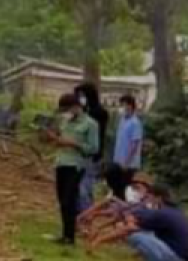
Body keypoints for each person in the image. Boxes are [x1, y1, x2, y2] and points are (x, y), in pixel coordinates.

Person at [90, 184, 188, 261]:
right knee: (143, 234)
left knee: (135, 236)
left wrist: (99, 240)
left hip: (178, 259)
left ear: (158, 198)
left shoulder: (161, 213)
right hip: (186, 260)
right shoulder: (175, 211)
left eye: (150, 196)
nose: (149, 199)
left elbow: (129, 229)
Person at [44, 93, 100, 245]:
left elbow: (94, 149)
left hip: (76, 165)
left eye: (67, 109)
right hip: (61, 162)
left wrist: (73, 144)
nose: (66, 113)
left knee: (69, 200)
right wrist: (53, 138)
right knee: (62, 200)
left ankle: (70, 236)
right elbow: (60, 140)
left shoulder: (91, 124)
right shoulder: (65, 121)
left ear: (76, 107)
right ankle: (65, 234)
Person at [74, 82, 109, 210]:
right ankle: (79, 210)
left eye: (82, 96)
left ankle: (86, 212)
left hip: (92, 154)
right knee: (78, 184)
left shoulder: (99, 112)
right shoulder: (84, 111)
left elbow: (96, 135)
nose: (80, 99)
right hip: (79, 153)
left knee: (86, 185)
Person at [108, 94, 144, 200]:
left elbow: (135, 144)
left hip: (129, 163)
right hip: (118, 160)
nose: (123, 108)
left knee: (123, 186)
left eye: (125, 105)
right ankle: (118, 204)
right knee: (115, 182)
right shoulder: (123, 120)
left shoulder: (135, 123)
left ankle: (124, 208)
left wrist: (127, 162)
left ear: (131, 106)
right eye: (122, 105)